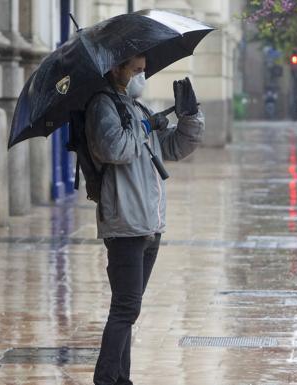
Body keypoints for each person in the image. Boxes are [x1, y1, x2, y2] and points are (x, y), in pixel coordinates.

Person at [86, 53, 204, 385]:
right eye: (135, 70)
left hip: (149, 222)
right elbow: (114, 149)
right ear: (116, 68)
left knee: (127, 307)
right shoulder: (102, 106)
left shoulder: (136, 106)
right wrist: (147, 126)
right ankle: (107, 379)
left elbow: (173, 148)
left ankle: (121, 378)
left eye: (143, 70)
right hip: (125, 219)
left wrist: (190, 118)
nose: (141, 75)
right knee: (126, 308)